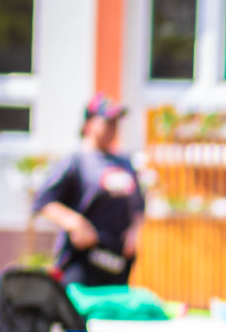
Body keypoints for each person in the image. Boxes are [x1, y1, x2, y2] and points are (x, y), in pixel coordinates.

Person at [35, 94, 146, 287]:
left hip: (116, 260)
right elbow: (44, 201)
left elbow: (139, 205)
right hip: (82, 258)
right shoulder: (76, 161)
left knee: (110, 314)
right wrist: (73, 221)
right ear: (88, 124)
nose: (113, 127)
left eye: (116, 122)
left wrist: (135, 231)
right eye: (107, 121)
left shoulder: (125, 162)